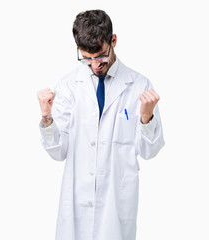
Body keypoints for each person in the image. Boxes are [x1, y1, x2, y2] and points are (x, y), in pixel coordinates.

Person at [37, 9, 165, 240]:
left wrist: (147, 118)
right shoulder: (68, 86)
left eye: (101, 56)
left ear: (113, 41)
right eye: (87, 58)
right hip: (76, 202)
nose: (95, 64)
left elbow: (149, 151)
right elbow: (59, 152)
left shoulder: (139, 85)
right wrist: (47, 118)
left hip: (116, 204)